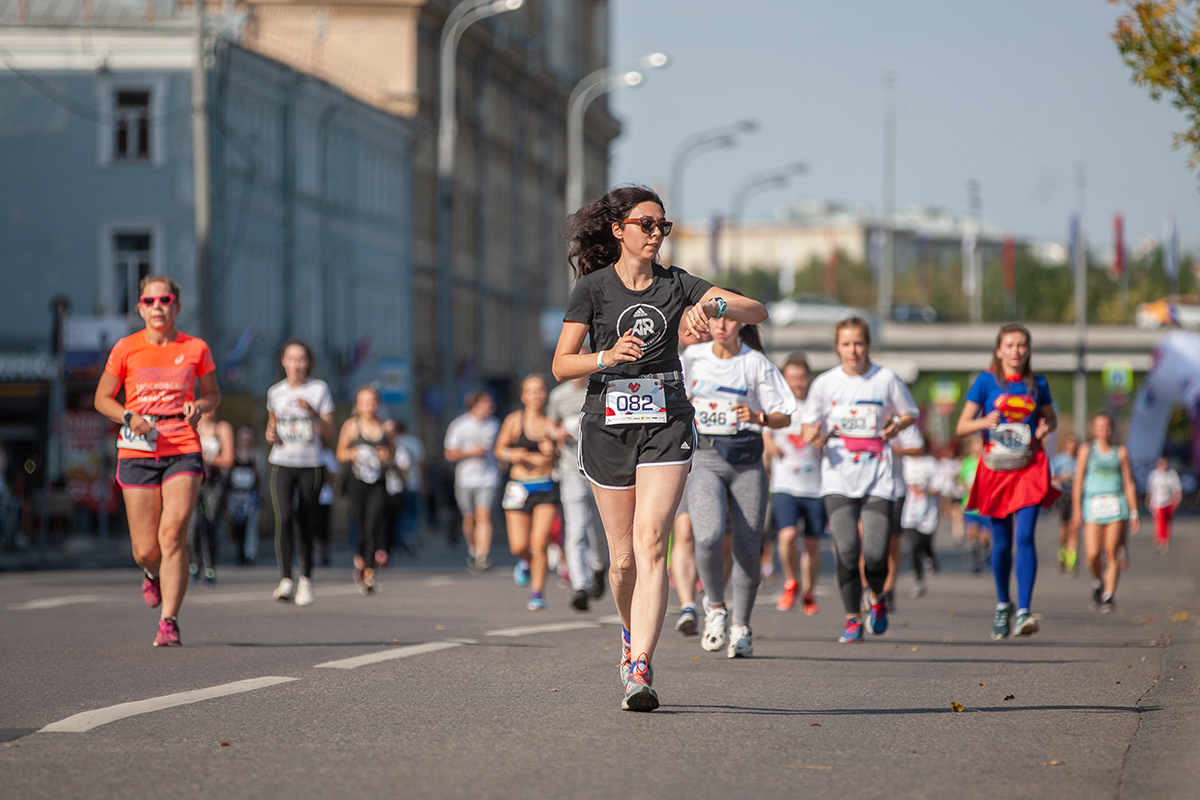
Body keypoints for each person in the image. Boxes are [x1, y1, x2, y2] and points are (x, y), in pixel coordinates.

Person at [552, 184, 767, 711]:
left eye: (661, 225)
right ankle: (629, 637)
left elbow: (756, 311)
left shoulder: (678, 284)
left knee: (652, 545)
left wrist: (712, 304)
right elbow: (561, 364)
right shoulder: (594, 289)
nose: (655, 233)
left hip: (666, 424)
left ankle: (640, 667)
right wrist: (606, 357)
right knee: (622, 561)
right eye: (645, 224)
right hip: (607, 426)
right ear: (618, 229)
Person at [93, 275, 220, 646]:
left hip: (182, 444)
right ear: (139, 308)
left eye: (165, 299)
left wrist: (200, 406)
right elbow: (103, 398)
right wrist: (128, 416)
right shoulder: (126, 348)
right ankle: (151, 574)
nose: (157, 306)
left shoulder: (195, 348)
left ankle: (169, 621)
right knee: (146, 549)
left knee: (173, 533)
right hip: (138, 447)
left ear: (177, 306)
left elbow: (213, 395)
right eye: (149, 301)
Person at [682, 290, 795, 658]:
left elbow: (784, 414)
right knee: (709, 535)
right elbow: (675, 398)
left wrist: (758, 417)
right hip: (706, 458)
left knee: (748, 548)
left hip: (747, 462)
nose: (722, 324)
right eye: (716, 317)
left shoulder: (755, 364)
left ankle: (742, 627)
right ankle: (715, 607)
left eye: (730, 317)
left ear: (742, 322)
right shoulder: (693, 358)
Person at [800, 317, 918, 644]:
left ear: (867, 345)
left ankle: (877, 597)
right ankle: (853, 618)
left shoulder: (886, 380)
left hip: (878, 477)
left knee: (877, 554)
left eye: (858, 343)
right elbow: (808, 426)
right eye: (846, 344)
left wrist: (896, 427)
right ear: (837, 347)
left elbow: (910, 412)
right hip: (837, 478)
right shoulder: (825, 384)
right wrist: (815, 435)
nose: (853, 350)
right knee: (848, 550)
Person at [956, 323, 1057, 640]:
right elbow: (961, 426)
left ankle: (1024, 611)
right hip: (996, 470)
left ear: (1028, 350)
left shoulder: (1037, 383)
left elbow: (1050, 417)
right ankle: (1003, 603)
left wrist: (1045, 428)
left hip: (1029, 467)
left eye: (1022, 345)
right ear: (999, 350)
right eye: (1010, 345)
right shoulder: (985, 382)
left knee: (1024, 536)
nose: (1017, 351)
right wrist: (984, 421)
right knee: (1001, 544)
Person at [266, 339, 335, 607]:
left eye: (301, 359)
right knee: (283, 517)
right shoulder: (275, 392)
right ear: (283, 361)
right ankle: (285, 579)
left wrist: (313, 413)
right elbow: (271, 427)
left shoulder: (319, 389)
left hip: (311, 463)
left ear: (309, 362)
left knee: (304, 520)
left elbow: (329, 431)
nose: (296, 364)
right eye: (291, 358)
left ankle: (306, 578)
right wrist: (270, 433)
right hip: (282, 461)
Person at [763, 352, 824, 616]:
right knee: (786, 536)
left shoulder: (816, 404)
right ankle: (792, 580)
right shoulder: (778, 404)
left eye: (801, 377)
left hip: (816, 484)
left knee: (812, 544)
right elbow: (764, 433)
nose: (797, 383)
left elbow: (829, 431)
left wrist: (822, 439)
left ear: (807, 378)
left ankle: (809, 592)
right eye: (792, 378)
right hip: (784, 482)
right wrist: (771, 448)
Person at [495, 374, 561, 610]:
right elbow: (499, 449)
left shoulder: (551, 423)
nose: (536, 395)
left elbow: (561, 454)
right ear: (523, 396)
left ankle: (537, 592)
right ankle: (525, 562)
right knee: (518, 545)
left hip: (545, 486)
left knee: (540, 542)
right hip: (519, 486)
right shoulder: (515, 421)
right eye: (531, 391)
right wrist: (511, 455)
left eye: (540, 390)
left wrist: (552, 449)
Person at [548, 371, 609, 612]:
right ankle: (579, 585)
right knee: (575, 527)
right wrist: (556, 434)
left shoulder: (602, 390)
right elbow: (550, 425)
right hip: (570, 468)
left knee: (599, 527)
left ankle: (598, 567)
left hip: (599, 468)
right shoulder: (558, 396)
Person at [1074, 413, 1139, 612]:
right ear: (1094, 429)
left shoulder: (1120, 452)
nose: (1104, 430)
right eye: (1100, 426)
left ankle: (1109, 595)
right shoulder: (1087, 450)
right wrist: (1077, 508)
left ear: (1112, 428)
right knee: (1093, 554)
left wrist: (1134, 511)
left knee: (1112, 550)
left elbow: (1128, 482)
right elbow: (1078, 480)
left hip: (1116, 505)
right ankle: (1097, 582)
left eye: (1108, 426)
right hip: (1093, 504)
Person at [337, 385, 398, 594]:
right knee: (362, 526)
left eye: (372, 402)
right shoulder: (351, 426)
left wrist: (385, 456)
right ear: (357, 405)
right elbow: (340, 454)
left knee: (373, 524)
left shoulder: (387, 427)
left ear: (378, 404)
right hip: (357, 483)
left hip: (378, 483)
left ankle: (370, 571)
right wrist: (353, 453)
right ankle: (361, 558)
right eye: (363, 402)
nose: (368, 406)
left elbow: (393, 457)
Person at [444, 391, 502, 572]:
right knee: (469, 518)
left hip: (488, 478)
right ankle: (473, 548)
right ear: (476, 405)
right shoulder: (460, 425)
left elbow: (501, 447)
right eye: (487, 403)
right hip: (465, 479)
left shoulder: (495, 424)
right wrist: (471, 453)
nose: (491, 406)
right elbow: (449, 453)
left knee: (484, 515)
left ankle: (483, 555)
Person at [187, 408, 234, 584]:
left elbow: (228, 460)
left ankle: (210, 566)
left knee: (210, 523)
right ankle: (193, 564)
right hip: (195, 480)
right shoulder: (193, 427)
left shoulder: (222, 428)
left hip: (214, 482)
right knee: (192, 524)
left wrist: (206, 457)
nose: (208, 413)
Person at [900, 438, 941, 598]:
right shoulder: (903, 462)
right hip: (908, 512)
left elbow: (938, 487)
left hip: (928, 512)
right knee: (913, 546)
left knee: (925, 544)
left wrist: (926, 489)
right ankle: (918, 581)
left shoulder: (930, 463)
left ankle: (930, 558)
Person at [225, 426, 265, 566]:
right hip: (234, 495)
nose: (245, 441)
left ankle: (249, 553)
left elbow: (260, 476)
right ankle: (238, 551)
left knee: (250, 526)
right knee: (236, 526)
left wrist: (260, 494)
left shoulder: (256, 455)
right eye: (243, 438)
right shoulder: (232, 453)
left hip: (250, 495)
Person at [958, 436, 989, 573]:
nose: (978, 447)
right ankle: (976, 559)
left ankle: (986, 552)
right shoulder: (966, 463)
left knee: (984, 537)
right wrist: (964, 485)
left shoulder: (987, 462)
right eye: (975, 445)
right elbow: (961, 480)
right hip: (970, 504)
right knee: (972, 532)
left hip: (985, 505)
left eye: (980, 445)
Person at [1051, 433, 1080, 574]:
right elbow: (1051, 478)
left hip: (1075, 496)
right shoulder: (1058, 460)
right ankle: (1062, 552)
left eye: (1075, 444)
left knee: (1074, 528)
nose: (1072, 447)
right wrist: (1063, 477)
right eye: (1070, 444)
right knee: (1064, 529)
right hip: (1063, 496)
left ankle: (1071, 561)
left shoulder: (1079, 460)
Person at [1146, 456, 1183, 554]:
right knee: (1160, 521)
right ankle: (1161, 540)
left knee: (1167, 522)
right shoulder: (1154, 475)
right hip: (1158, 502)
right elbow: (1150, 489)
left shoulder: (1171, 474)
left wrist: (1177, 499)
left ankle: (1165, 539)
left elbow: (1176, 488)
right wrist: (1148, 500)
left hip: (1169, 501)